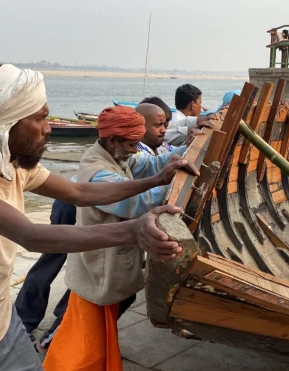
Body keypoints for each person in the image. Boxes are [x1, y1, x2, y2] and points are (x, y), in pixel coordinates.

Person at [0, 64, 191, 371]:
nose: (48, 128)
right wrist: (132, 231)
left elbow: (80, 192)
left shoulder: (10, 164)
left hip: (1, 325)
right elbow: (30, 235)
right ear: (7, 123)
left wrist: (157, 179)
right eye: (39, 118)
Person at [15, 100, 191, 354]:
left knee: (109, 303)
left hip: (106, 254)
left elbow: (148, 164)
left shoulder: (119, 156)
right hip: (94, 251)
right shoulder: (98, 170)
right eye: (131, 144)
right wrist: (174, 187)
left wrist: (184, 152)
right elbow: (134, 203)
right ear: (113, 141)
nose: (135, 150)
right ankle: (52, 342)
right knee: (78, 298)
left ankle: (75, 345)